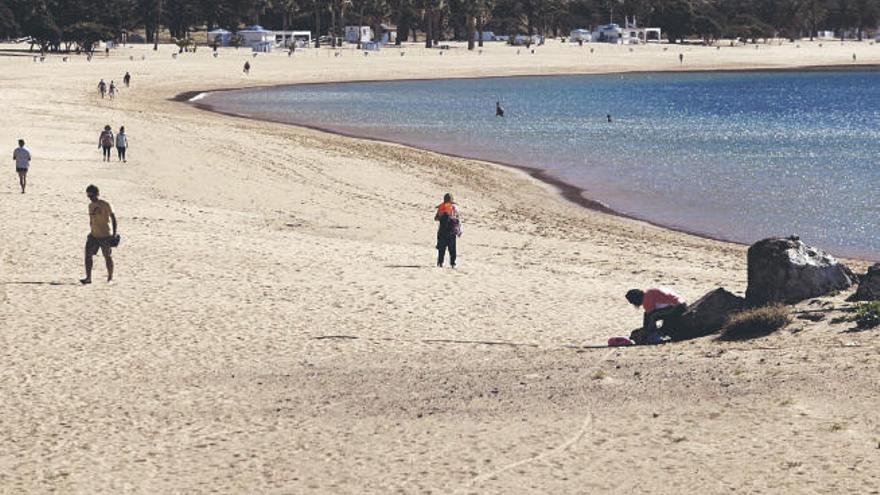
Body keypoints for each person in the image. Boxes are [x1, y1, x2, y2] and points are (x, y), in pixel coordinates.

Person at [81, 184, 117, 285]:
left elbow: (113, 218)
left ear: (97, 194)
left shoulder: (105, 204)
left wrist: (114, 234)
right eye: (88, 196)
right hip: (93, 235)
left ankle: (110, 278)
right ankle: (88, 278)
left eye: (92, 196)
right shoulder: (90, 206)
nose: (90, 198)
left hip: (105, 235)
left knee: (107, 256)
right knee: (88, 255)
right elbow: (91, 220)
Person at [434, 193, 460, 268]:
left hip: (442, 230)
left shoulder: (441, 207)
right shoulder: (454, 207)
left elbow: (436, 218)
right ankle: (453, 263)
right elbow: (458, 218)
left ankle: (440, 263)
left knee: (441, 248)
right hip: (451, 231)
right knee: (452, 249)